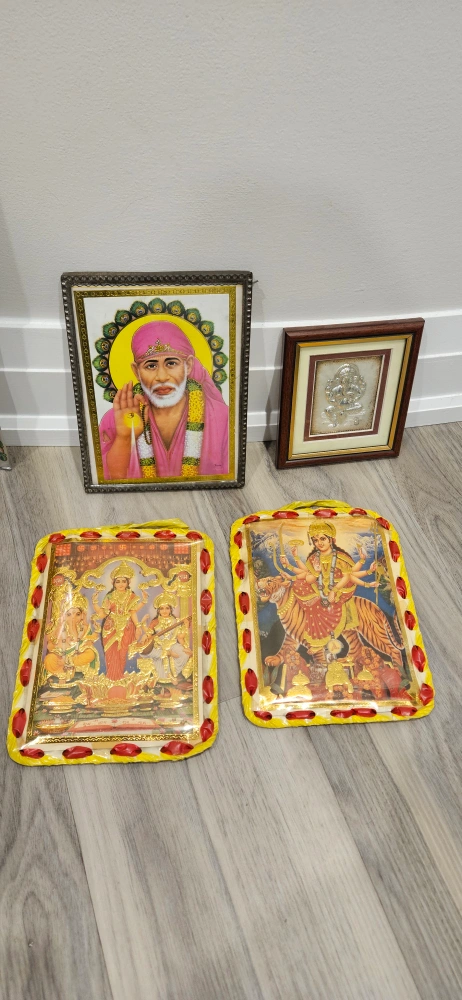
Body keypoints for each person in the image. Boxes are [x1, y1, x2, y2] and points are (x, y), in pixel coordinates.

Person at [99, 320, 229, 481]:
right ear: (136, 371)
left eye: (171, 363)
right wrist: (124, 438)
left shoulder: (222, 418)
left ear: (188, 365)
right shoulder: (114, 419)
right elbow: (109, 479)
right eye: (151, 366)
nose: (161, 377)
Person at [93, 562, 144, 681]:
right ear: (113, 583)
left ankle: (119, 675)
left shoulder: (131, 596)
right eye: (118, 581)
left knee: (122, 652)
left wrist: (138, 626)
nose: (121, 584)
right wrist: (95, 602)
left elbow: (132, 612)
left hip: (126, 626)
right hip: (110, 627)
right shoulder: (110, 596)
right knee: (110, 652)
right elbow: (102, 614)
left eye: (123, 581)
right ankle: (111, 677)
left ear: (128, 583)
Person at [129, 593, 192, 683]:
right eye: (162, 608)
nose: (164, 611)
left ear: (171, 609)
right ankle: (169, 676)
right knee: (162, 655)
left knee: (184, 654)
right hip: (159, 645)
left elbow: (180, 637)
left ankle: (176, 674)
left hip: (172, 644)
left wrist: (186, 626)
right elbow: (149, 635)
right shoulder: (155, 622)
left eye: (167, 608)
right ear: (158, 610)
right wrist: (143, 639)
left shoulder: (176, 621)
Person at [44, 591, 99, 680]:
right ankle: (61, 672)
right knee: (49, 659)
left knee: (91, 654)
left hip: (76, 656)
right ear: (64, 615)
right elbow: (52, 643)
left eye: (77, 614)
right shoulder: (59, 627)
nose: (73, 617)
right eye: (69, 614)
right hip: (61, 655)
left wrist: (75, 630)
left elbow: (88, 643)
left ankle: (70, 666)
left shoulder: (84, 627)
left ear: (82, 615)